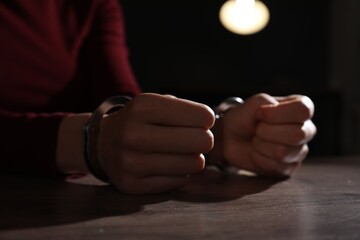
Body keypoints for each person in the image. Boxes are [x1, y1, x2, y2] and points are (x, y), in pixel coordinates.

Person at [0, 0, 316, 194]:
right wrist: (89, 142)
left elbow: (125, 106)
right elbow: (109, 130)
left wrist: (217, 138)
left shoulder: (91, 4)